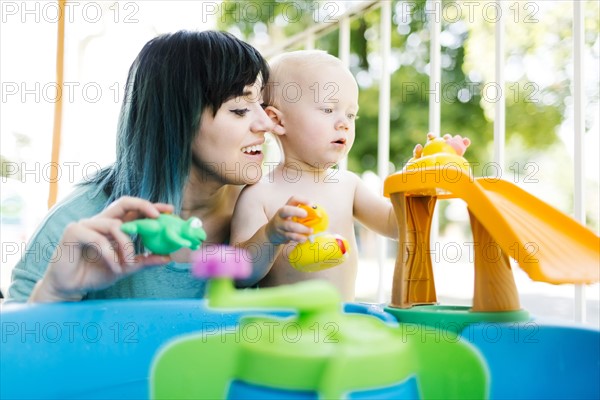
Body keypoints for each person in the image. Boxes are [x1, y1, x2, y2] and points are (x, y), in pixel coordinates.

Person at [7, 30, 274, 302]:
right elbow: (13, 341)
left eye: (263, 106)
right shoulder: (80, 224)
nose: (266, 123)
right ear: (178, 119)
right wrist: (55, 292)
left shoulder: (268, 211)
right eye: (240, 109)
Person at [230, 50, 469, 301]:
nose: (344, 122)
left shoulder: (348, 185)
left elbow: (397, 225)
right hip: (284, 331)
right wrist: (271, 235)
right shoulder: (259, 193)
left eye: (351, 114)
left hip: (343, 328)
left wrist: (417, 178)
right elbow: (240, 274)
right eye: (328, 109)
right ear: (277, 121)